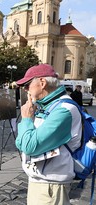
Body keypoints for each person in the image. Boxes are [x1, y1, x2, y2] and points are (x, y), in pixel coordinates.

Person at [15, 64, 82, 205]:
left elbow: (28, 146)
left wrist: (26, 118)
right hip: (42, 181)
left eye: (28, 84)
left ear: (42, 83)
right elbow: (20, 142)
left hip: (51, 185)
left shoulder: (64, 110)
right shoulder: (47, 106)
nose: (25, 89)